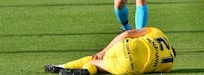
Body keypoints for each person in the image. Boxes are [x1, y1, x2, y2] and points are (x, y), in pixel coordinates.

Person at [44, 27, 176, 75]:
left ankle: (62, 66)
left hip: (126, 46)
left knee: (96, 58)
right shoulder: (169, 65)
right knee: (96, 64)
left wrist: (104, 50)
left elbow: (128, 33)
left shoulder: (158, 33)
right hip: (130, 66)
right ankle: (86, 71)